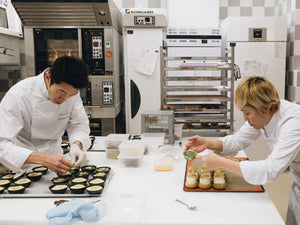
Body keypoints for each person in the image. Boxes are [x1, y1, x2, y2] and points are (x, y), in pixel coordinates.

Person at [185, 76, 300, 225]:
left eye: (247, 113)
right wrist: (207, 143)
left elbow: (270, 170)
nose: (245, 119)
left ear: (266, 108)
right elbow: (238, 140)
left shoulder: (293, 122)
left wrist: (222, 163)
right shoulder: (265, 113)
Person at [0, 56, 91, 175]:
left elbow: (78, 124)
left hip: (57, 161)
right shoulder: (19, 95)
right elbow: (2, 144)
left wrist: (76, 145)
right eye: (61, 92)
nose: (65, 99)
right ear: (48, 77)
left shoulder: (71, 93)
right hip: (24, 164)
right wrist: (45, 159)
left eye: (71, 95)